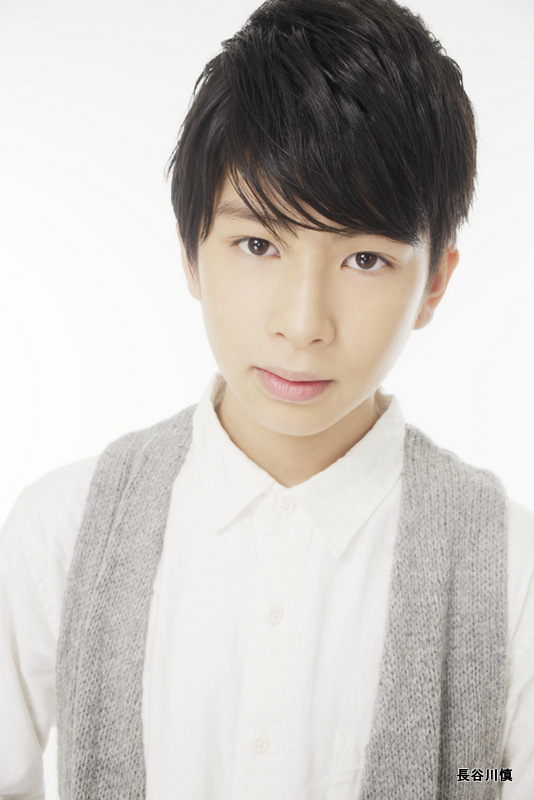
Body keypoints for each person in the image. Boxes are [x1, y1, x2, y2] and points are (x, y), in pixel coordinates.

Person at [0, 0, 532, 798]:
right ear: (191, 252)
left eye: (365, 259)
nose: (303, 323)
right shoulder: (63, 535)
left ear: (434, 284)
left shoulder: (512, 573)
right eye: (258, 244)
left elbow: (496, 778)